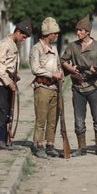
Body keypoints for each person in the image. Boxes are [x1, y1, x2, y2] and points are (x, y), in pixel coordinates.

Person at [61, 15, 97, 157]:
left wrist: (96, 69)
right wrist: (70, 69)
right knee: (79, 119)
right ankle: (81, 148)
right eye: (77, 30)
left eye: (81, 30)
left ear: (88, 31)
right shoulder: (73, 46)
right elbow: (63, 60)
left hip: (94, 87)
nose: (78, 33)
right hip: (78, 87)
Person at [0, 19, 32, 150]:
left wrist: (14, 78)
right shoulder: (5, 44)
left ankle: (5, 139)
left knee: (8, 111)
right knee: (0, 112)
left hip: (9, 81)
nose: (24, 39)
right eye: (23, 36)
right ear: (17, 32)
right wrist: (8, 82)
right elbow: (0, 66)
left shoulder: (14, 44)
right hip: (1, 83)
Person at [29, 17, 64, 158]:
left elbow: (58, 64)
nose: (56, 35)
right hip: (42, 87)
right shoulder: (36, 48)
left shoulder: (54, 48)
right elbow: (35, 68)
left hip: (55, 88)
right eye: (54, 33)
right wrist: (52, 74)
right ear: (47, 33)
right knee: (41, 118)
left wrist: (60, 72)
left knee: (53, 118)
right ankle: (39, 145)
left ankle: (50, 144)